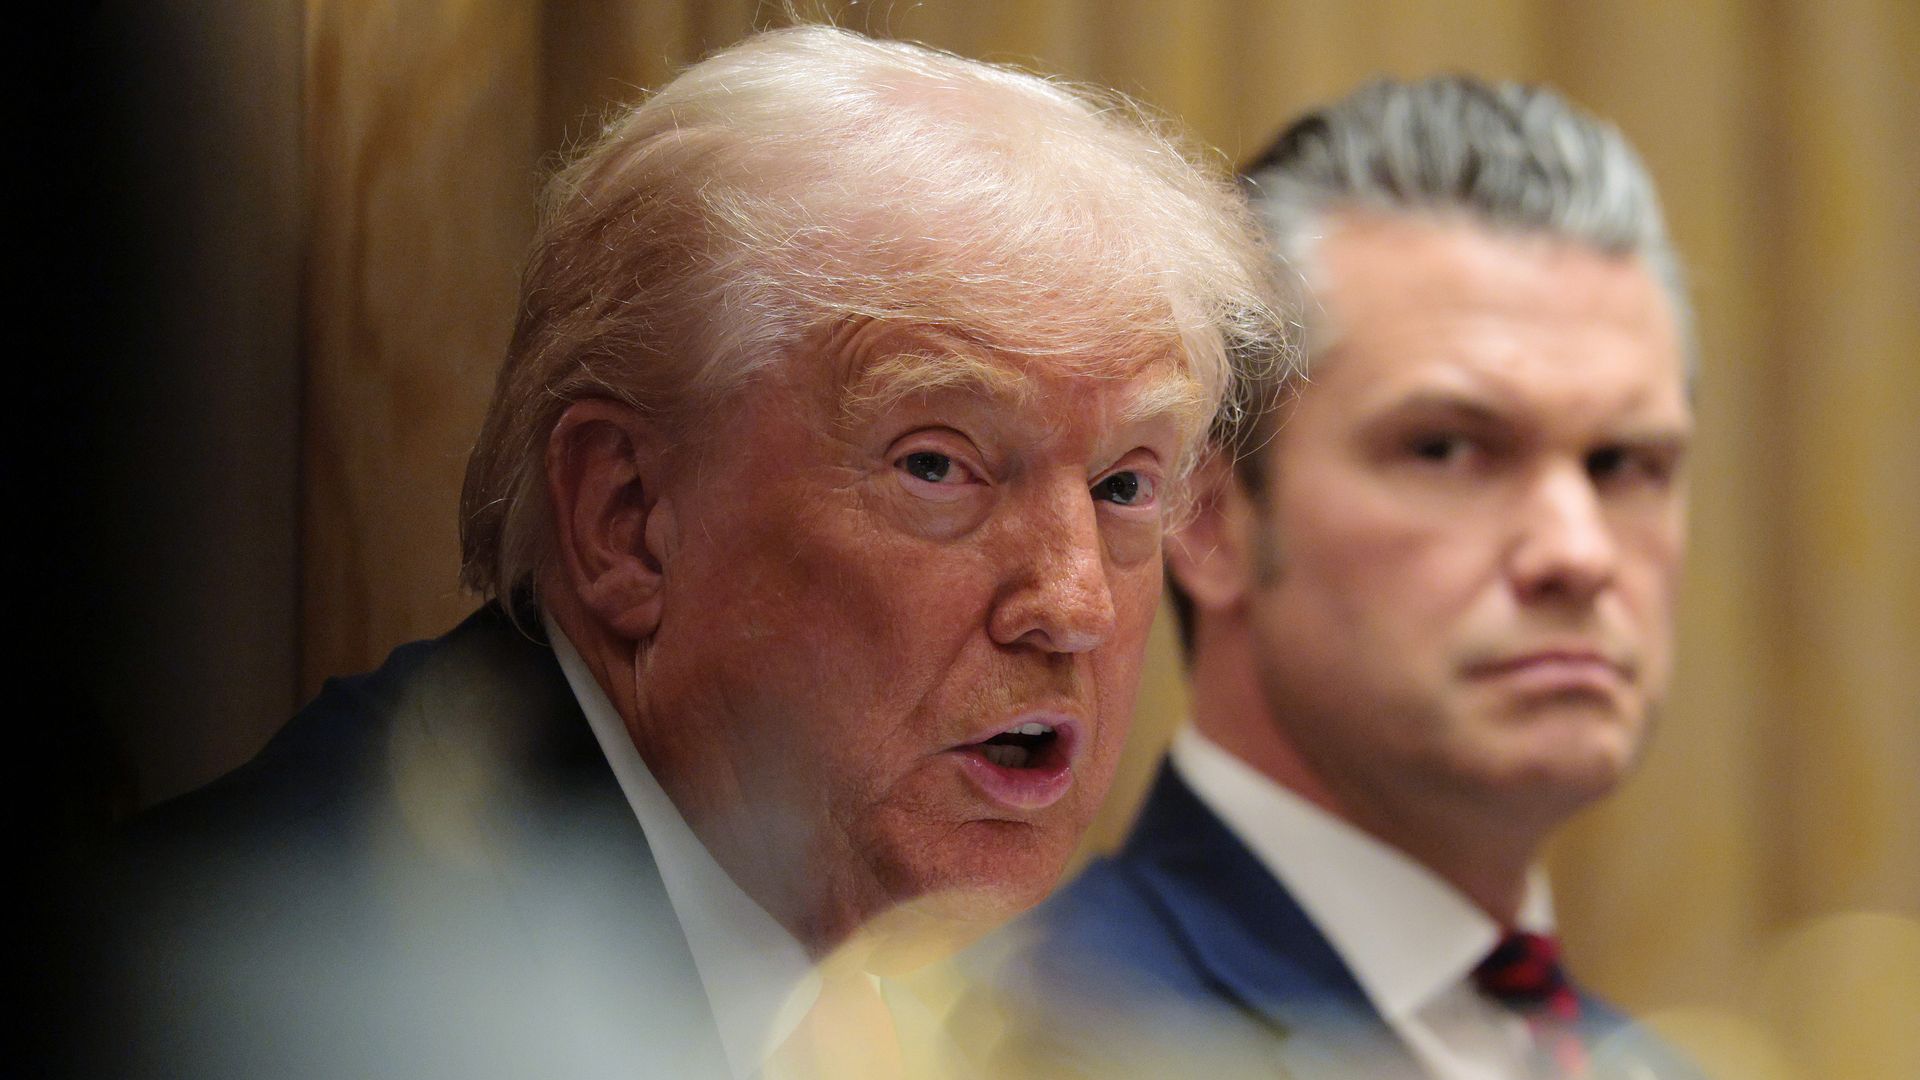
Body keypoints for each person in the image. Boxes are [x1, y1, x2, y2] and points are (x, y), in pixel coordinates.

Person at [66, 26, 1286, 1080]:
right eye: (939, 466)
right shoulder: (309, 995)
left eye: (1125, 485)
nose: (1074, 603)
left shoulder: (930, 988)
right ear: (627, 519)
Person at [950, 75, 1704, 1079]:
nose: (1578, 552)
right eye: (1447, 450)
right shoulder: (1024, 1046)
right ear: (1205, 518)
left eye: (1625, 465)